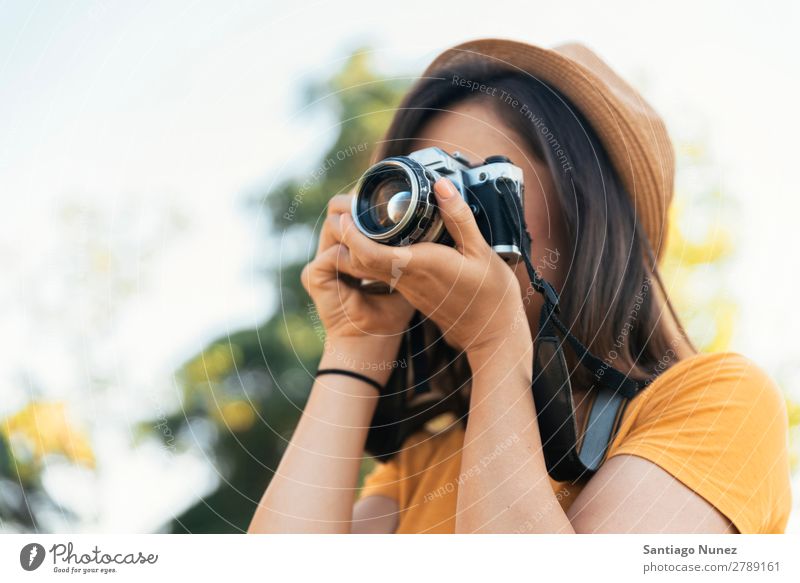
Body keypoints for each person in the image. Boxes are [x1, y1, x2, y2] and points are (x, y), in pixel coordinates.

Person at [248, 39, 791, 534]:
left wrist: (494, 344)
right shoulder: (426, 460)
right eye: (425, 191)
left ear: (589, 214)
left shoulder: (718, 404)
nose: (445, 216)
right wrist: (355, 344)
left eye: (473, 182)